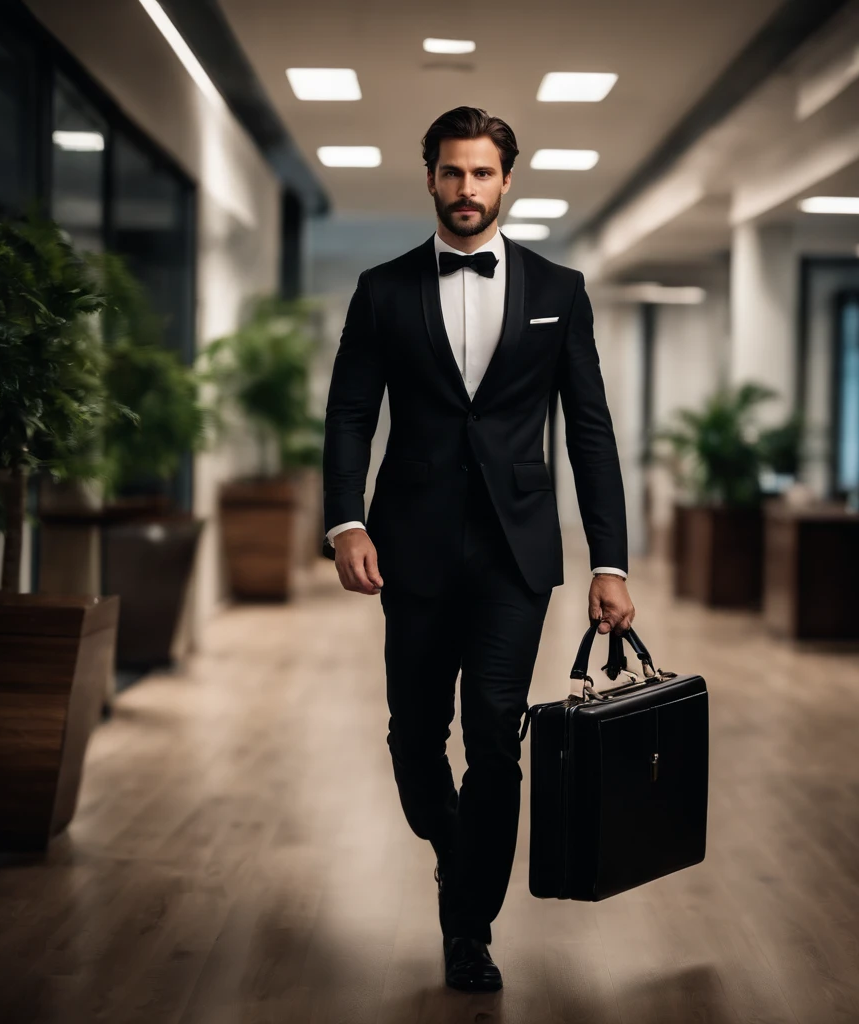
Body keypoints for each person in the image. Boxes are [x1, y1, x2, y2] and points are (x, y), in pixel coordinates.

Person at [321, 106, 634, 992]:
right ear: (430, 178)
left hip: (515, 552)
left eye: (482, 174)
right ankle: (456, 850)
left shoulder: (559, 290)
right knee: (416, 736)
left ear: (507, 180)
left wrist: (609, 560)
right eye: (452, 173)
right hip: (409, 548)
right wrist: (346, 521)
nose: (467, 190)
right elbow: (350, 414)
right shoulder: (382, 290)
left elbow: (591, 432)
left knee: (498, 732)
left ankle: (469, 928)